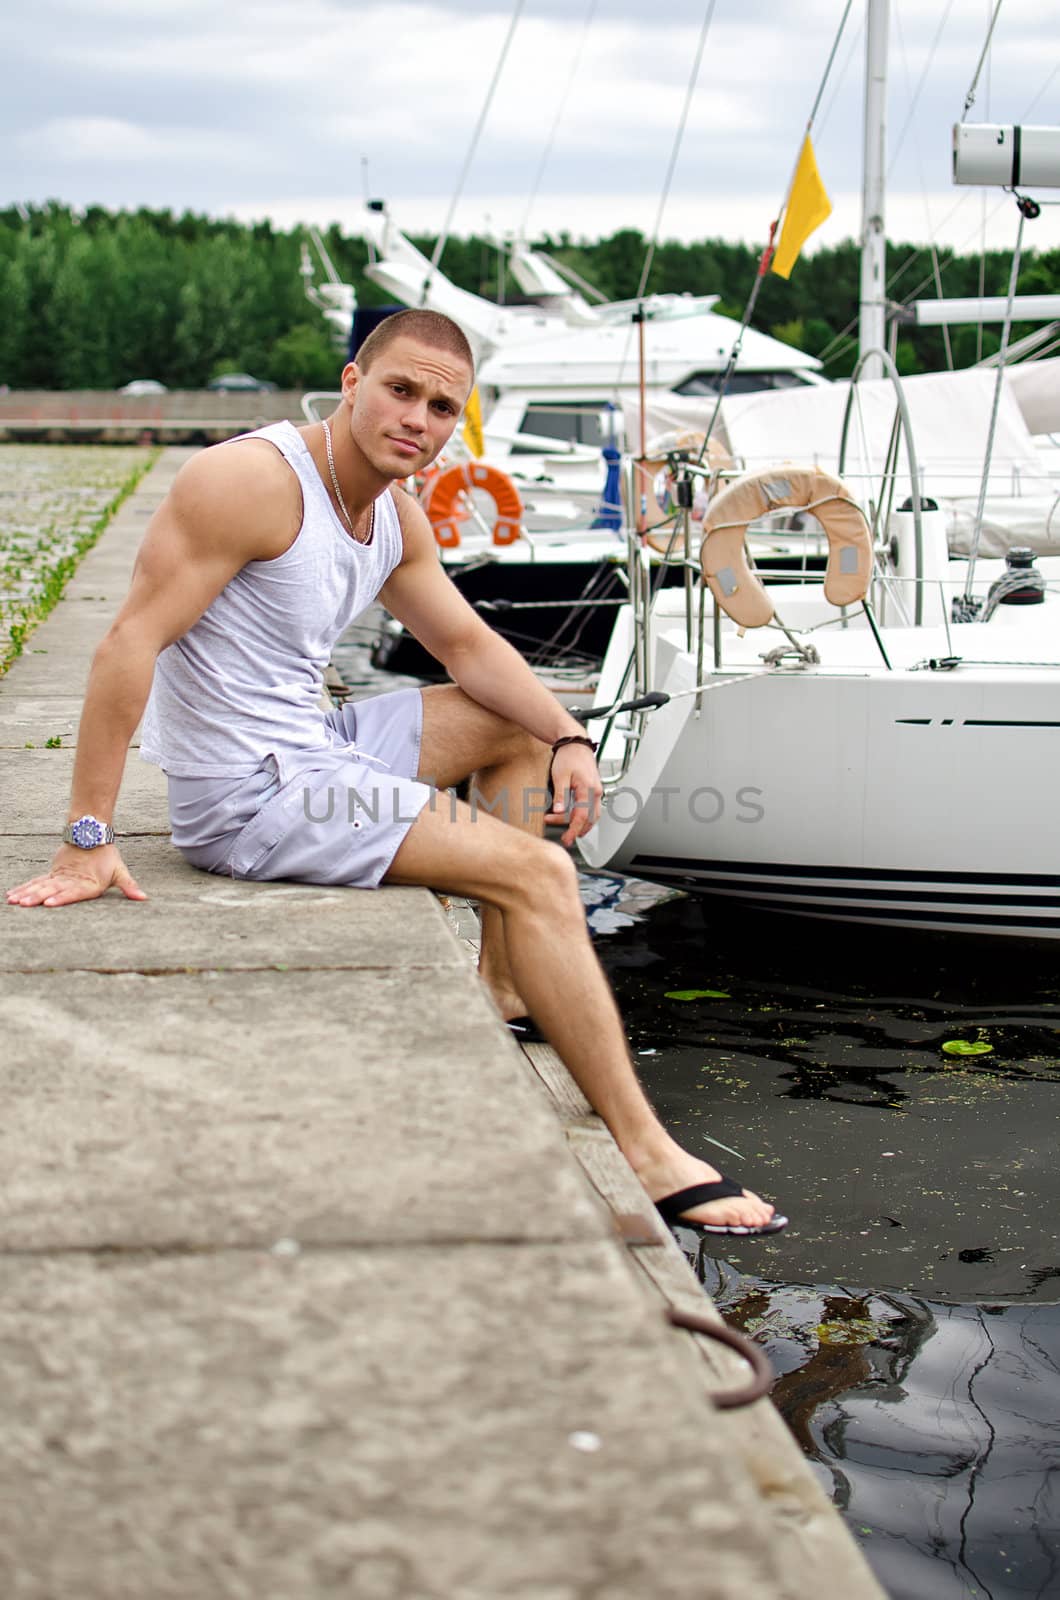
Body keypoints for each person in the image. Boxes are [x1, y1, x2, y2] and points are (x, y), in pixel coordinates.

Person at [6, 309, 785, 1237]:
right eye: (400, 390)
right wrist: (87, 838)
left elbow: (466, 644)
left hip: (316, 742)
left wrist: (571, 735)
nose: (418, 417)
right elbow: (128, 641)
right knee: (537, 872)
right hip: (251, 792)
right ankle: (648, 1151)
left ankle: (504, 986)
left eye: (442, 405)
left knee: (517, 729)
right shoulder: (249, 481)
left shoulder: (390, 515)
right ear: (351, 382)